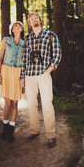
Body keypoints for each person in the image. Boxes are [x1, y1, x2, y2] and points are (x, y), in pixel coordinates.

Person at [20, 12, 62, 149]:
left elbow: (57, 54)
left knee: (47, 104)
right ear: (29, 23)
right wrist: (22, 76)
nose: (34, 20)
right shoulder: (27, 39)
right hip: (29, 76)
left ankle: (51, 136)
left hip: (44, 75)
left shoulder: (50, 35)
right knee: (31, 105)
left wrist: (49, 70)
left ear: (40, 20)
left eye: (36, 18)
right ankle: (34, 131)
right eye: (31, 19)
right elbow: (24, 59)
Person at [0, 21, 24, 143]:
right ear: (12, 30)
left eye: (20, 26)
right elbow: (0, 57)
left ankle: (11, 131)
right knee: (7, 103)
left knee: (15, 104)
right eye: (15, 26)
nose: (18, 27)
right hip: (6, 71)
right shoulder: (6, 40)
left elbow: (26, 61)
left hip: (18, 73)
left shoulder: (25, 43)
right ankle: (5, 130)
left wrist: (23, 77)